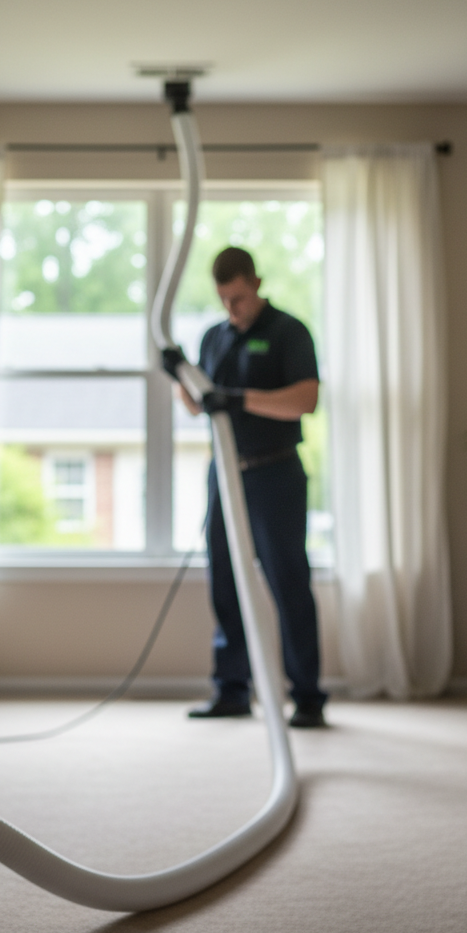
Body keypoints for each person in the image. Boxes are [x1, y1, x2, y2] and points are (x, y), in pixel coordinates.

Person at [164, 246, 327, 728]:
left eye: (237, 297)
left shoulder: (288, 331)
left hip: (275, 473)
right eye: (223, 299)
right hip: (225, 474)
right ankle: (231, 691)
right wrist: (179, 374)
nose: (231, 308)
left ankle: (309, 698)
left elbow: (306, 400)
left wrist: (238, 398)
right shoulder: (214, 337)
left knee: (287, 582)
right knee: (225, 583)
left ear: (255, 283)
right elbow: (198, 406)